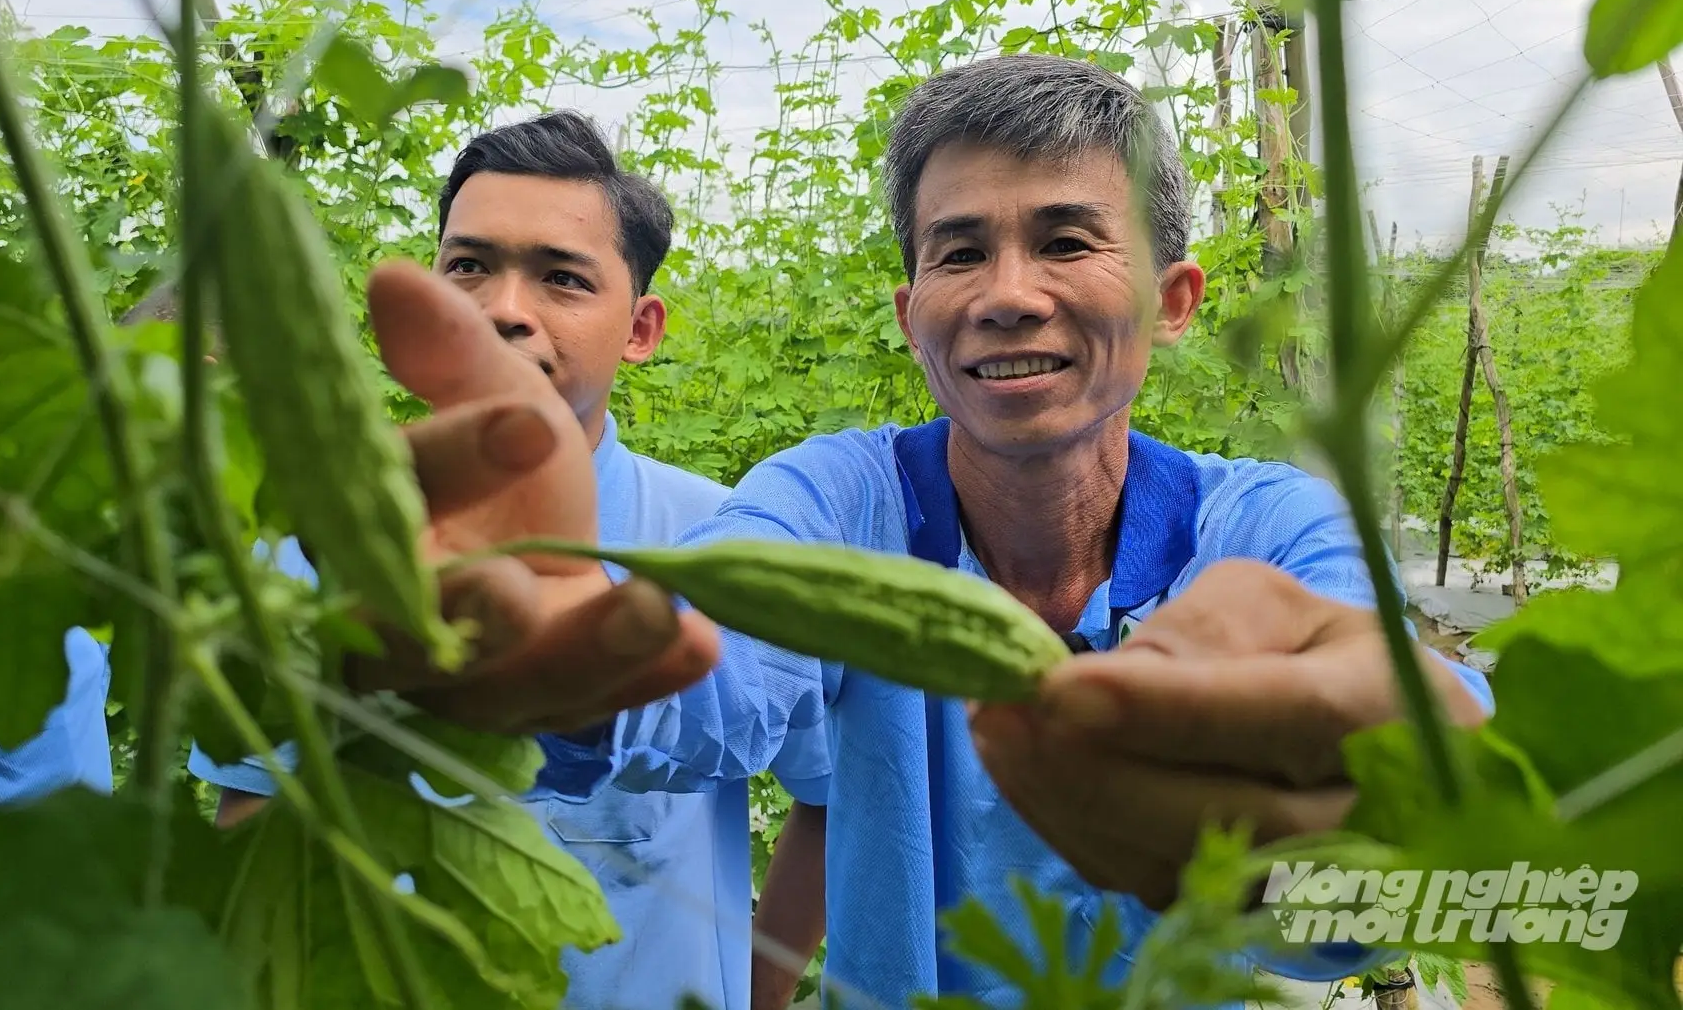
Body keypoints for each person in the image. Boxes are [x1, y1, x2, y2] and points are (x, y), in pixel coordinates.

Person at [343, 55, 1498, 1009]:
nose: (1007, 293)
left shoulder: (1268, 527)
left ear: (1173, 300)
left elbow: (1382, 766)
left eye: (1066, 241)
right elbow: (718, 671)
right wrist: (569, 669)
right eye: (959, 251)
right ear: (910, 315)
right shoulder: (834, 501)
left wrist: (1403, 796)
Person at [187, 111, 832, 1010]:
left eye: (562, 278)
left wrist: (759, 992)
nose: (503, 311)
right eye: (469, 267)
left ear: (640, 328)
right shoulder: (316, 536)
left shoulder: (721, 535)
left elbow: (829, 787)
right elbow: (254, 806)